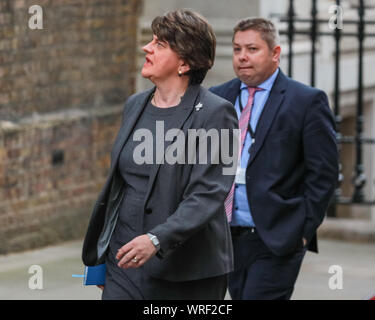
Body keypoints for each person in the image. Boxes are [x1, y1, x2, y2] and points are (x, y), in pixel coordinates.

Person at [82, 9, 238, 300]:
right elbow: (121, 187)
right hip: (125, 262)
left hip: (186, 272)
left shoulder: (217, 113)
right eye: (151, 41)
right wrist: (104, 254)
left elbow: (208, 194)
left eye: (160, 44)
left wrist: (156, 240)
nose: (147, 48)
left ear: (185, 63)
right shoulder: (135, 105)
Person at [210, 17, 338, 300]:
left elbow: (324, 173)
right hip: (224, 237)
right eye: (237, 49)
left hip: (277, 236)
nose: (242, 56)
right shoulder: (217, 98)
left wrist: (304, 230)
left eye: (252, 49)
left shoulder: (305, 101)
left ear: (275, 53)